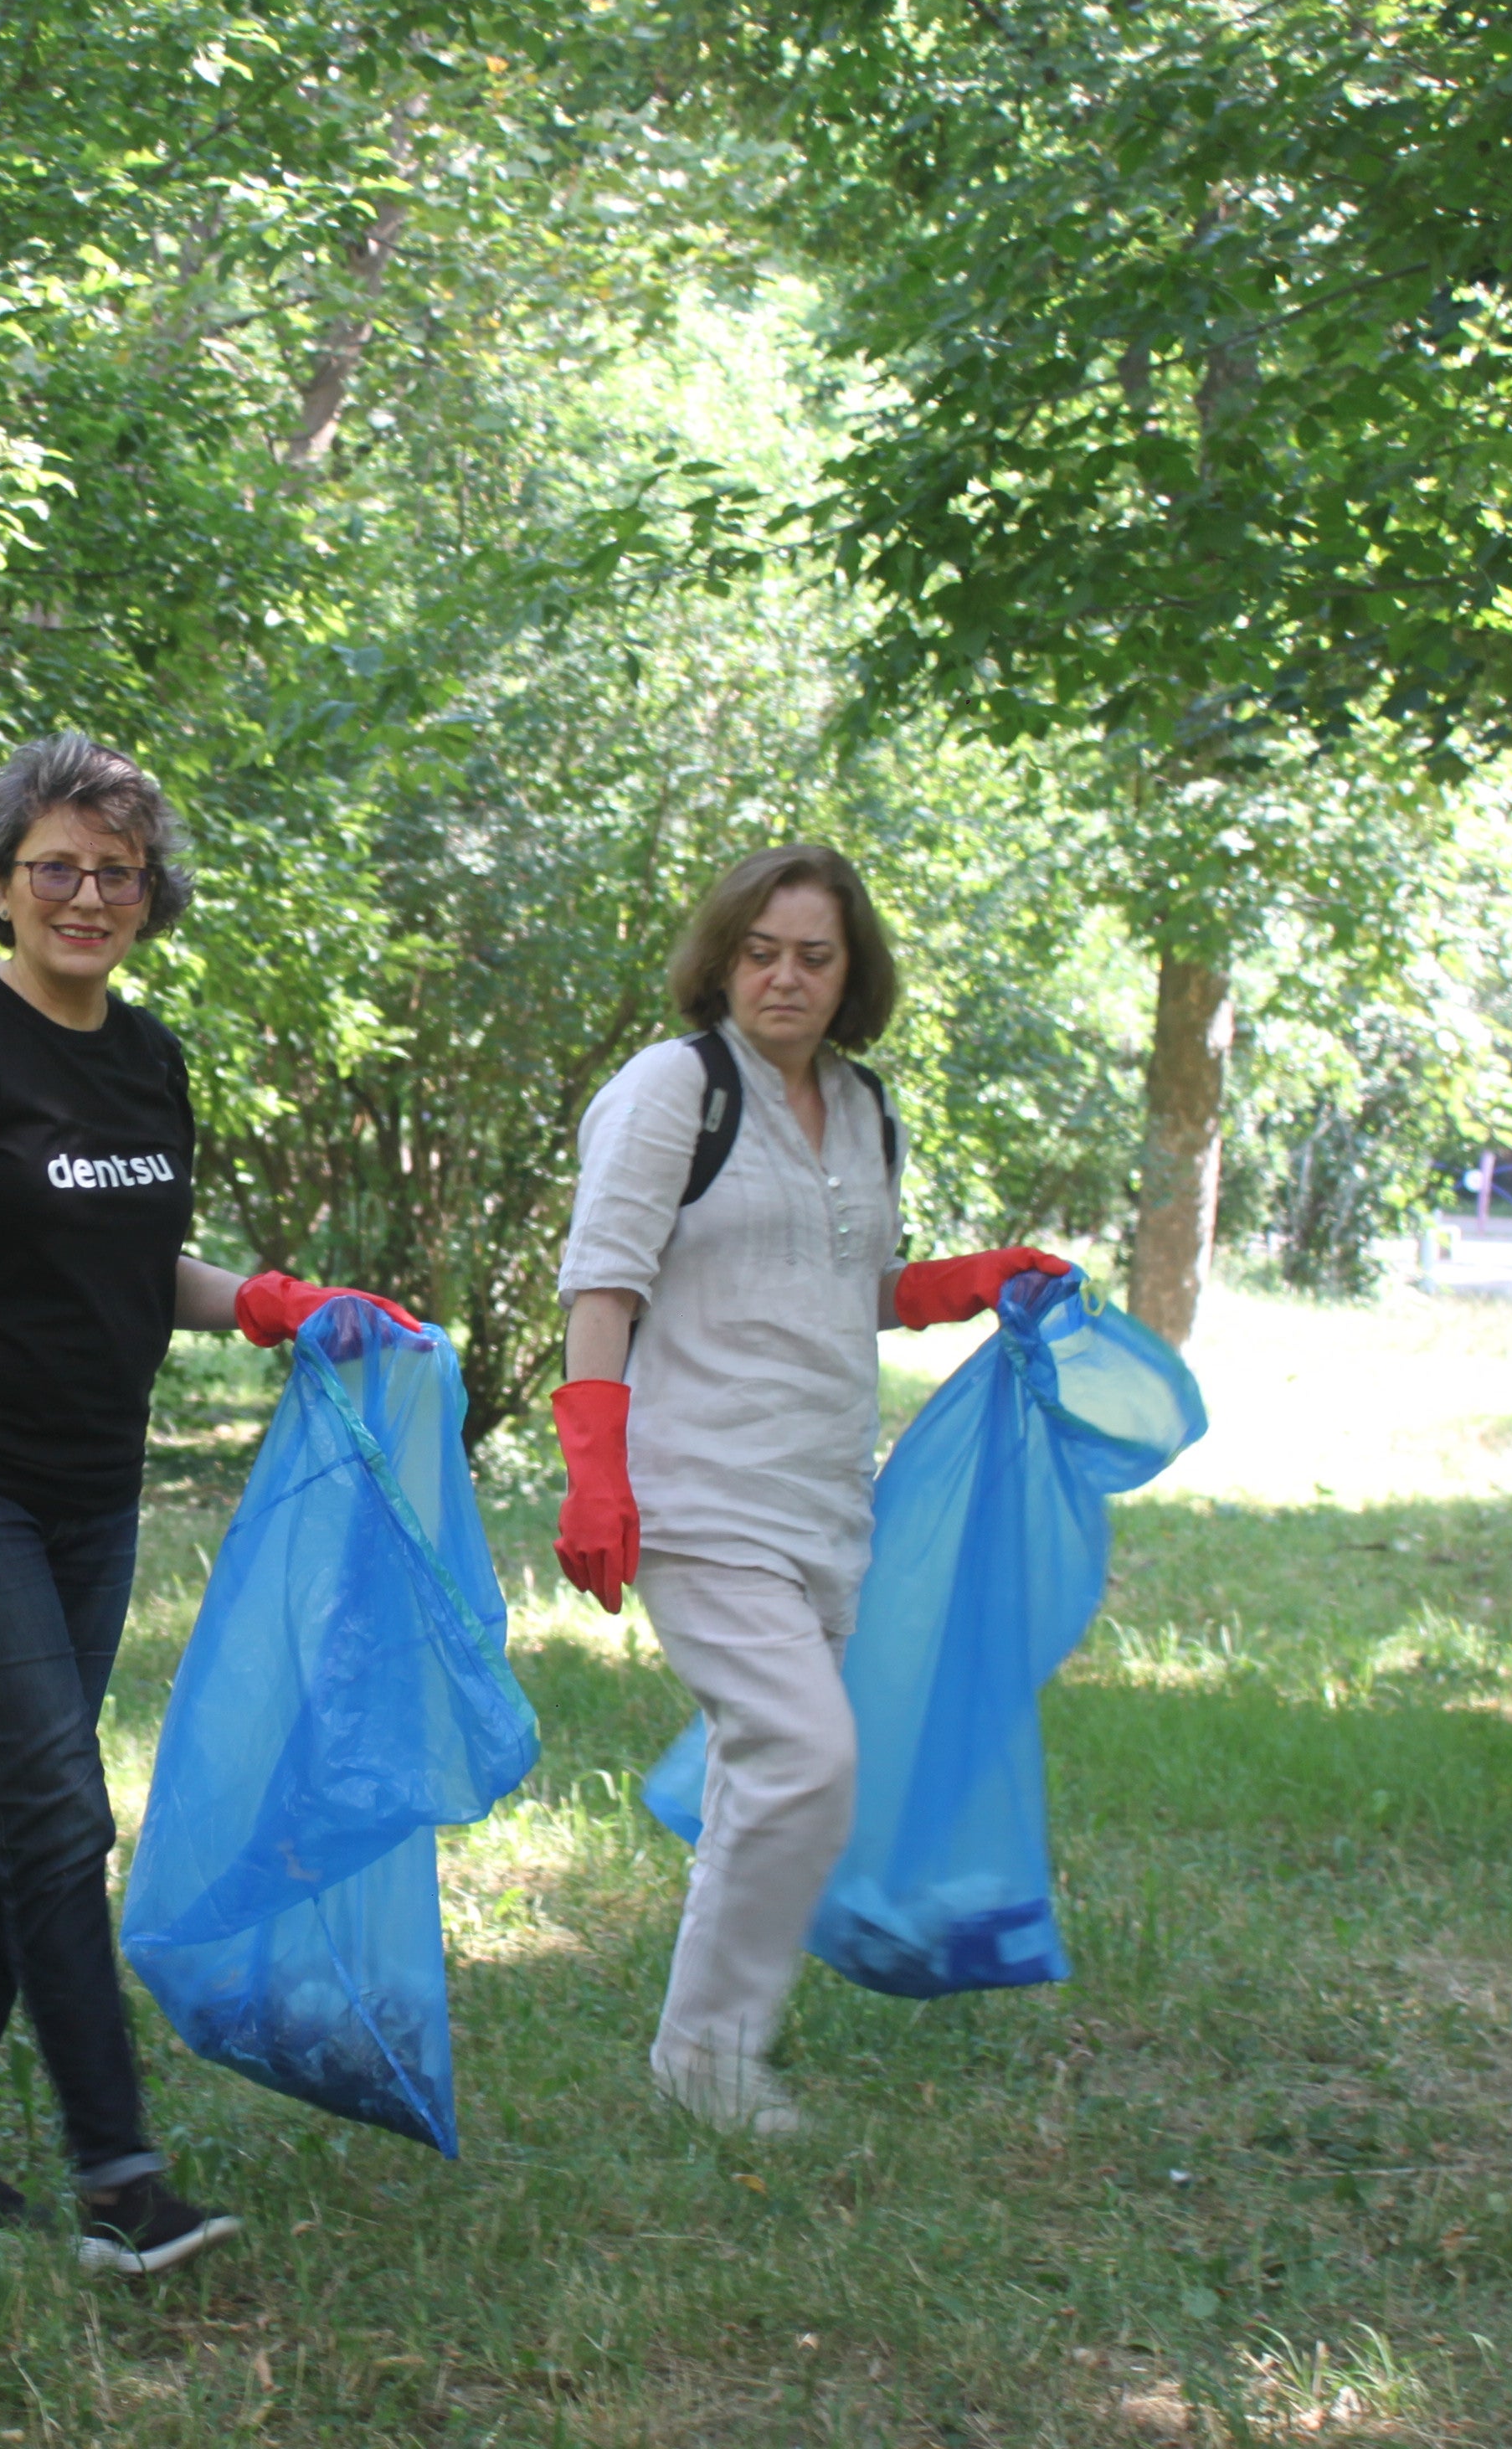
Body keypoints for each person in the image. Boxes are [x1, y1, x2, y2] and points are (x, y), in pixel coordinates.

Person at [0, 732, 414, 2273]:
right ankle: (118, 2183)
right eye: (57, 869)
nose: (88, 898)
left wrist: (268, 1301)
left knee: (2, 1811)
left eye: (119, 874)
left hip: (92, 1490)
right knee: (60, 1809)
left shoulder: (147, 1061)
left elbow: (135, 1260)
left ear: (153, 895)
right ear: (2, 883)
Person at [549, 843, 1069, 2136]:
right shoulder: (673, 1089)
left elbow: (848, 1287)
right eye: (762, 952)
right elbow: (603, 1283)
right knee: (806, 1754)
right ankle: (714, 2059)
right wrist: (595, 1475)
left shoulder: (865, 1105)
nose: (785, 978)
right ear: (723, 961)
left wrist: (967, 1283)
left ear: (852, 974)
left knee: (764, 1773)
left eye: (815, 957)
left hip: (829, 1500)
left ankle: (699, 2055)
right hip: (695, 1490)